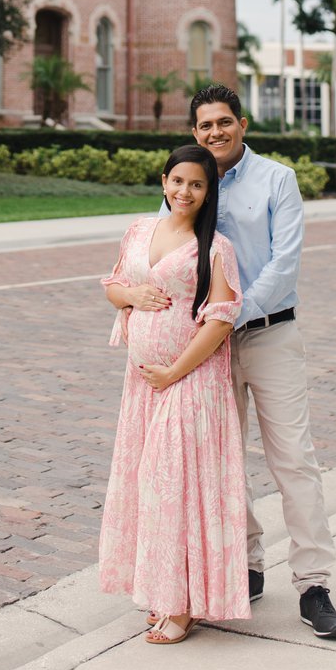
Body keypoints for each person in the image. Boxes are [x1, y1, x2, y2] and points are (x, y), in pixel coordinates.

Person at [189, 83, 336, 641]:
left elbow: (285, 262)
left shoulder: (277, 178)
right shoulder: (190, 183)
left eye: (224, 122)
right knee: (224, 462)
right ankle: (247, 565)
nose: (216, 133)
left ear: (242, 123)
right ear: (195, 132)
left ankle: (313, 584)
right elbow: (173, 251)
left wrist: (233, 314)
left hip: (270, 334)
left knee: (293, 461)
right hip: (210, 347)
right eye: (206, 125)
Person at [99, 143, 250, 644]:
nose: (185, 191)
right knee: (149, 487)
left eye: (197, 184)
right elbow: (113, 285)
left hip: (189, 381)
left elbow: (220, 321)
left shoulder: (215, 248)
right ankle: (161, 591)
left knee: (174, 489)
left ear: (209, 193)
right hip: (143, 385)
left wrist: (175, 372)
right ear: (163, 181)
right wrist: (133, 296)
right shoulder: (140, 231)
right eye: (178, 181)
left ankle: (182, 605)